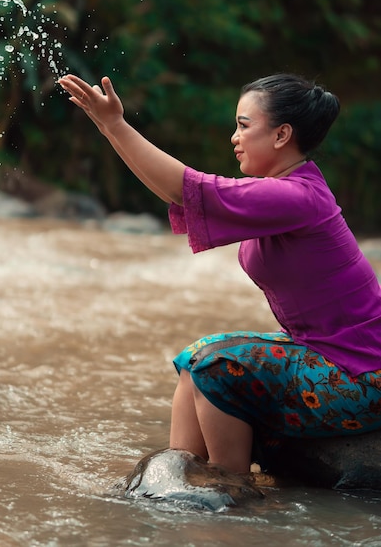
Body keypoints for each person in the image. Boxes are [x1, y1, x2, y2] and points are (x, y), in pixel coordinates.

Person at [58, 72, 381, 475]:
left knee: (217, 365)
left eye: (244, 126)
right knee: (194, 360)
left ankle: (229, 490)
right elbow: (177, 192)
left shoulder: (294, 196)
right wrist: (111, 129)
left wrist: (114, 125)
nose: (234, 136)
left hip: (363, 374)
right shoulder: (285, 189)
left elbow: (184, 189)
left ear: (282, 135)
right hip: (334, 356)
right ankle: (179, 481)